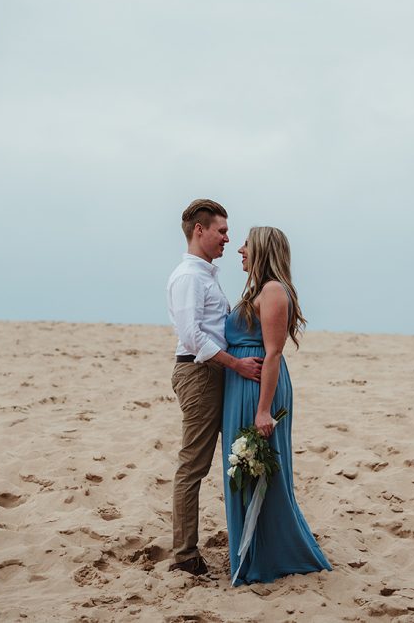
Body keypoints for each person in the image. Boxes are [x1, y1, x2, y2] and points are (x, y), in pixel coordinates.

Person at [222, 226, 332, 585]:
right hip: (243, 385)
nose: (239, 250)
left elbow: (273, 353)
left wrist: (263, 409)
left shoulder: (272, 291)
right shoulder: (258, 290)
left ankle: (272, 553)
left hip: (259, 389)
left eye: (246, 245)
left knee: (261, 471)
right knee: (245, 470)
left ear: (262, 250)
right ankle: (251, 549)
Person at [166, 199, 263, 577]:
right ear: (199, 230)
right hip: (200, 373)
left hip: (215, 372)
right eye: (221, 231)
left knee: (233, 457)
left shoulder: (206, 275)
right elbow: (192, 338)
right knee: (194, 465)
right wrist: (236, 363)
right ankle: (185, 555)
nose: (227, 238)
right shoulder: (189, 277)